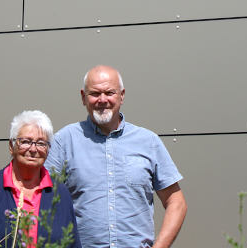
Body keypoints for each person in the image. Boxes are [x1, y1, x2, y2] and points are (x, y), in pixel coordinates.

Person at [46, 66, 187, 248]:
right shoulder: (64, 141)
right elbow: (42, 199)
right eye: (95, 93)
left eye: (109, 92)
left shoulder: (148, 141)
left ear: (122, 95)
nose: (102, 99)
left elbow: (176, 201)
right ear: (83, 97)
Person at [0, 110, 81, 248]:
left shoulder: (59, 192)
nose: (33, 149)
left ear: (48, 149)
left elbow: (72, 243)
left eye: (41, 143)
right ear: (11, 146)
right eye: (25, 141)